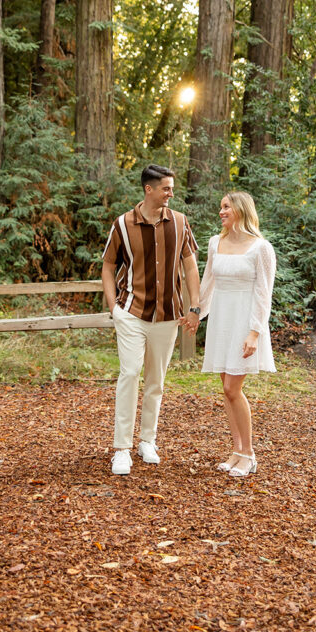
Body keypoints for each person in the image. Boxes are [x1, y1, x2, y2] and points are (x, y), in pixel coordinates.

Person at [102, 164, 200, 476]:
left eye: (171, 188)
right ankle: (121, 448)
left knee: (155, 381)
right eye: (166, 188)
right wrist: (113, 308)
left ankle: (147, 441)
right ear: (149, 189)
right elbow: (107, 266)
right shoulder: (122, 224)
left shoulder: (181, 223)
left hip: (169, 316)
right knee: (130, 374)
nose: (171, 194)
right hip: (131, 312)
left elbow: (190, 266)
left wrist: (195, 306)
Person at [182, 191, 276, 478]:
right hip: (222, 319)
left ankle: (249, 454)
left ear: (241, 210)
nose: (221, 211)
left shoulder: (261, 248)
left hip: (244, 320)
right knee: (226, 389)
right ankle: (236, 452)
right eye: (220, 207)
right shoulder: (215, 243)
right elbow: (209, 281)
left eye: (226, 207)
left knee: (233, 389)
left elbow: (263, 293)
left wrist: (255, 333)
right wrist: (198, 312)